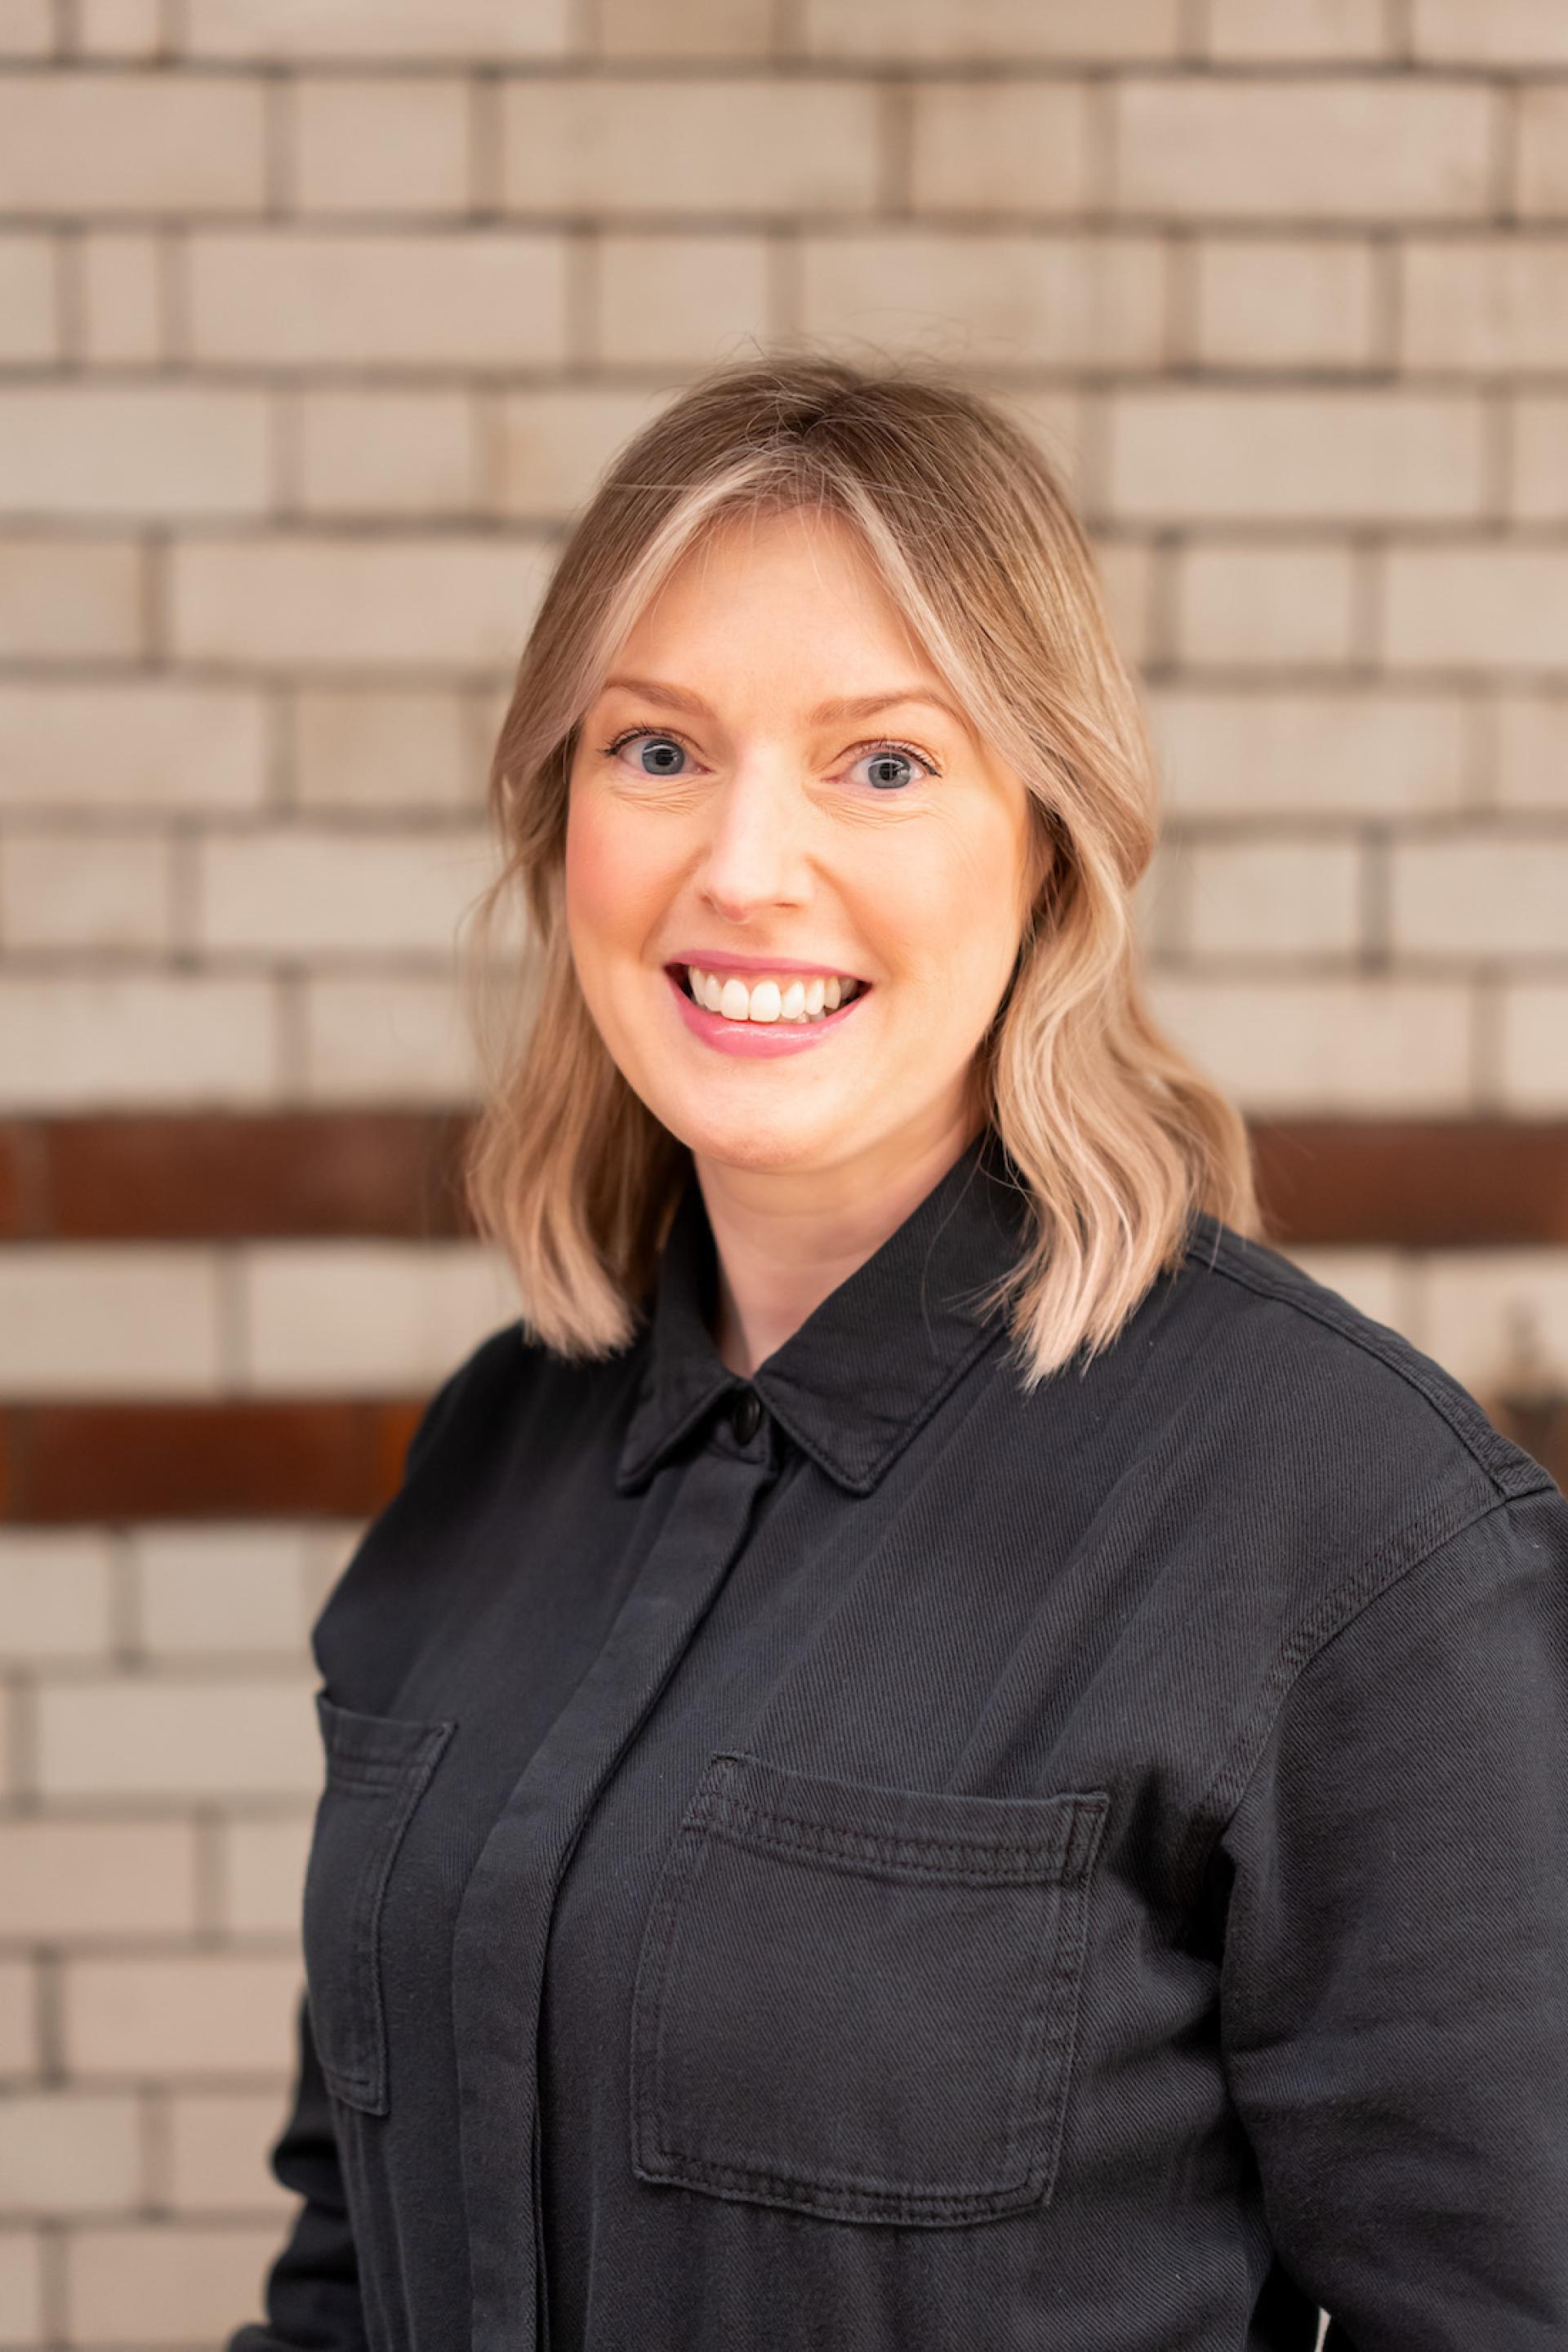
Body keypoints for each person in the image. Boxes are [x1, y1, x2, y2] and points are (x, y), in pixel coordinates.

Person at [228, 357, 1568, 2352]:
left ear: (1049, 850)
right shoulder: (492, 1457)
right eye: (657, 750)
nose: (745, 867)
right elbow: (353, 2257)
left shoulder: (1347, 1530)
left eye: (884, 765)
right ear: (560, 819)